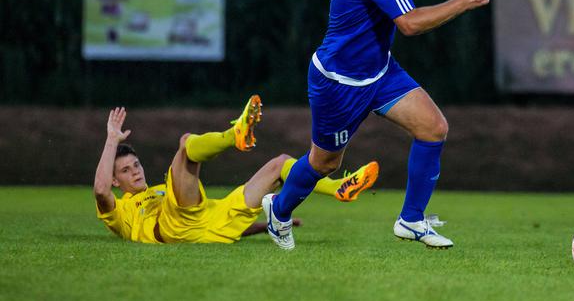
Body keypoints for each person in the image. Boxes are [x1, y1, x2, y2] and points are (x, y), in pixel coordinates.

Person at [262, 0, 493, 250]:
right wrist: (463, 1)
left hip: (379, 72)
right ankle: (278, 212)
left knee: (434, 128)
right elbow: (410, 25)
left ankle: (412, 220)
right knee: (325, 164)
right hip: (338, 83)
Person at [93, 95, 379, 244]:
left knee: (279, 163)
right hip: (172, 229)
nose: (135, 171)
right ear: (116, 181)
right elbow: (100, 190)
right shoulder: (120, 212)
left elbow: (210, 220)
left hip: (215, 223)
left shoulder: (160, 191)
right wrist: (111, 139)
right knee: (184, 145)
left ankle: (336, 188)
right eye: (126, 171)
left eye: (136, 164)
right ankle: (234, 135)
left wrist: (261, 228)